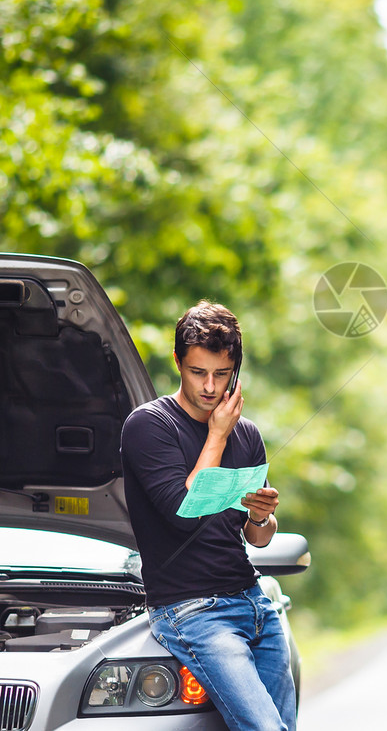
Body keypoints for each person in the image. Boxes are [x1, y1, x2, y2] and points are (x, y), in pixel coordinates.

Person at [121, 300, 295, 731]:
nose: (210, 387)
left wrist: (261, 516)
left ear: (235, 369)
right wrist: (216, 433)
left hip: (253, 602)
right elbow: (184, 512)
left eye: (222, 374)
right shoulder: (148, 426)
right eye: (198, 372)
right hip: (191, 611)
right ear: (178, 361)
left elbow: (257, 539)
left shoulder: (248, 434)